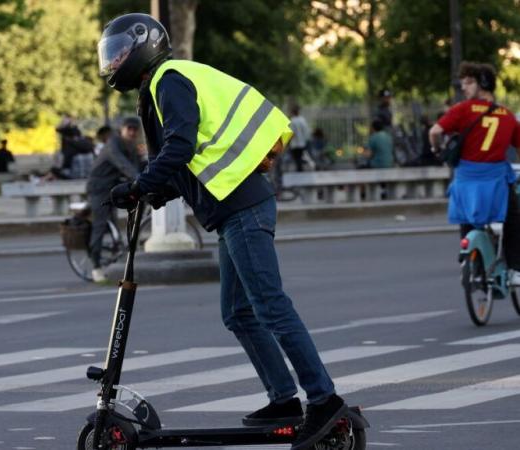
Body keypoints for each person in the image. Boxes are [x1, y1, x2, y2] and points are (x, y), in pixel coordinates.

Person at [98, 13, 346, 450]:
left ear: (144, 46)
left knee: (270, 306)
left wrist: (141, 183)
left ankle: (324, 400)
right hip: (235, 207)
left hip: (243, 208)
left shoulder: (168, 79)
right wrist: (153, 194)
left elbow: (181, 146)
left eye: (119, 51)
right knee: (240, 313)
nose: (114, 60)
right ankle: (284, 400)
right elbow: (192, 163)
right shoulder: (164, 82)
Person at [430, 62, 520, 283]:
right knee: (514, 219)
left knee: (467, 217)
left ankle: (468, 262)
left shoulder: (463, 110)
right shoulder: (507, 115)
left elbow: (435, 131)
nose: (464, 88)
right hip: (495, 181)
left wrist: (436, 148)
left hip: (466, 180)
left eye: (469, 82)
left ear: (483, 84)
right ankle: (515, 269)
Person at [86, 117, 146, 282]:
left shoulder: (132, 146)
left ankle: (116, 257)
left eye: (135, 129)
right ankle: (96, 267)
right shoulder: (113, 144)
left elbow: (136, 167)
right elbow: (123, 165)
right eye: (129, 129)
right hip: (99, 188)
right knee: (100, 224)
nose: (132, 132)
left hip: (113, 187)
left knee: (115, 224)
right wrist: (140, 179)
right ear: (122, 129)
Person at [288, 105, 311, 173]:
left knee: (296, 157)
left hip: (295, 143)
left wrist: (288, 142)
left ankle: (299, 169)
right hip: (302, 142)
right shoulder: (302, 120)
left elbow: (292, 133)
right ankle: (301, 168)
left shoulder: (293, 120)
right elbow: (306, 131)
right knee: (300, 156)